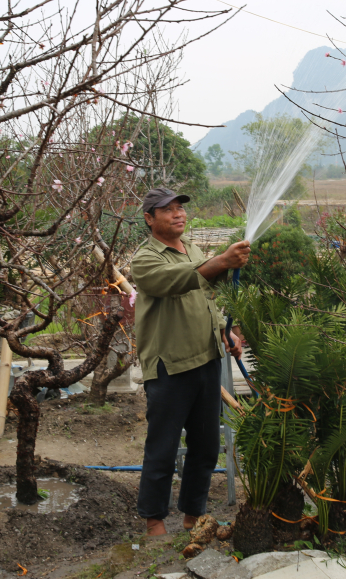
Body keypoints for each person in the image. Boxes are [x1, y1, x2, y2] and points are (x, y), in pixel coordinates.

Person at [131, 187, 251, 536]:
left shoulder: (194, 249)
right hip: (170, 365)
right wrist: (220, 262)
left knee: (206, 445)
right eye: (167, 210)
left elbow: (206, 299)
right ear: (149, 219)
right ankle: (154, 520)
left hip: (206, 358)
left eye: (180, 208)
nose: (178, 214)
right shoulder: (145, 259)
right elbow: (179, 281)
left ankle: (192, 516)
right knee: (163, 447)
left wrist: (225, 332)